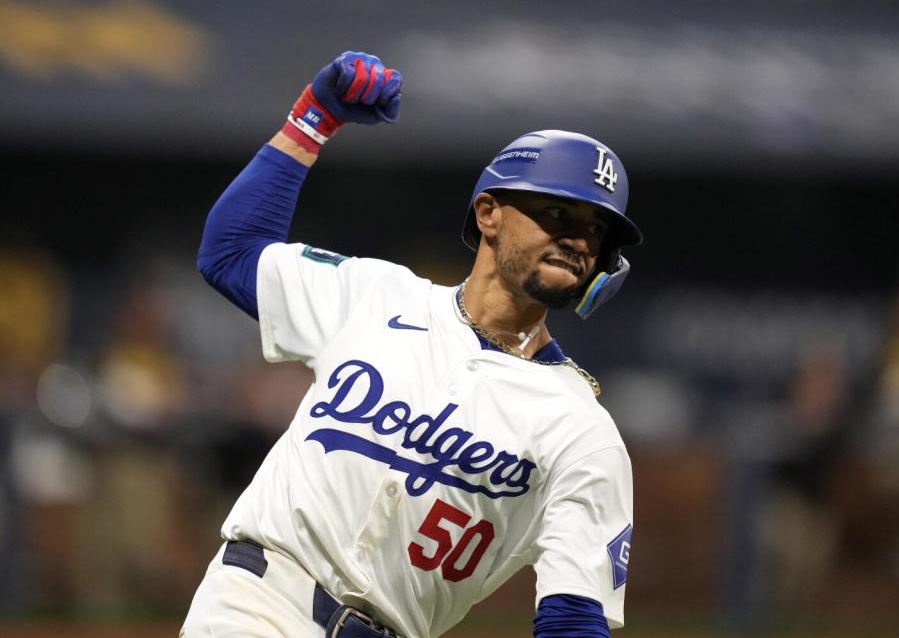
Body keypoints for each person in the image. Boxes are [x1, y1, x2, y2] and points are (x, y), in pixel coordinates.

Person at [182, 50, 642, 638]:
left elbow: (573, 615)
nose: (578, 240)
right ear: (489, 214)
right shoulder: (377, 296)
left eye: (596, 230)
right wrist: (313, 117)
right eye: (559, 213)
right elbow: (230, 252)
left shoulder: (583, 430)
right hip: (259, 603)